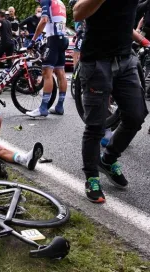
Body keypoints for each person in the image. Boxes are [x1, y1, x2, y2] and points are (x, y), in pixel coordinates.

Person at [73, 0, 149, 203]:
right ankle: (91, 177)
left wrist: (143, 40)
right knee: (96, 125)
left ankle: (108, 158)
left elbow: (123, 20)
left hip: (125, 59)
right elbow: (78, 13)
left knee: (136, 115)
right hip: (96, 61)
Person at [26, 0, 68, 117]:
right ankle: (59, 106)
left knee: (46, 72)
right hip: (63, 39)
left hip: (53, 40)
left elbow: (43, 20)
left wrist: (33, 40)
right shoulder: (59, 2)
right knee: (60, 72)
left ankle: (43, 108)